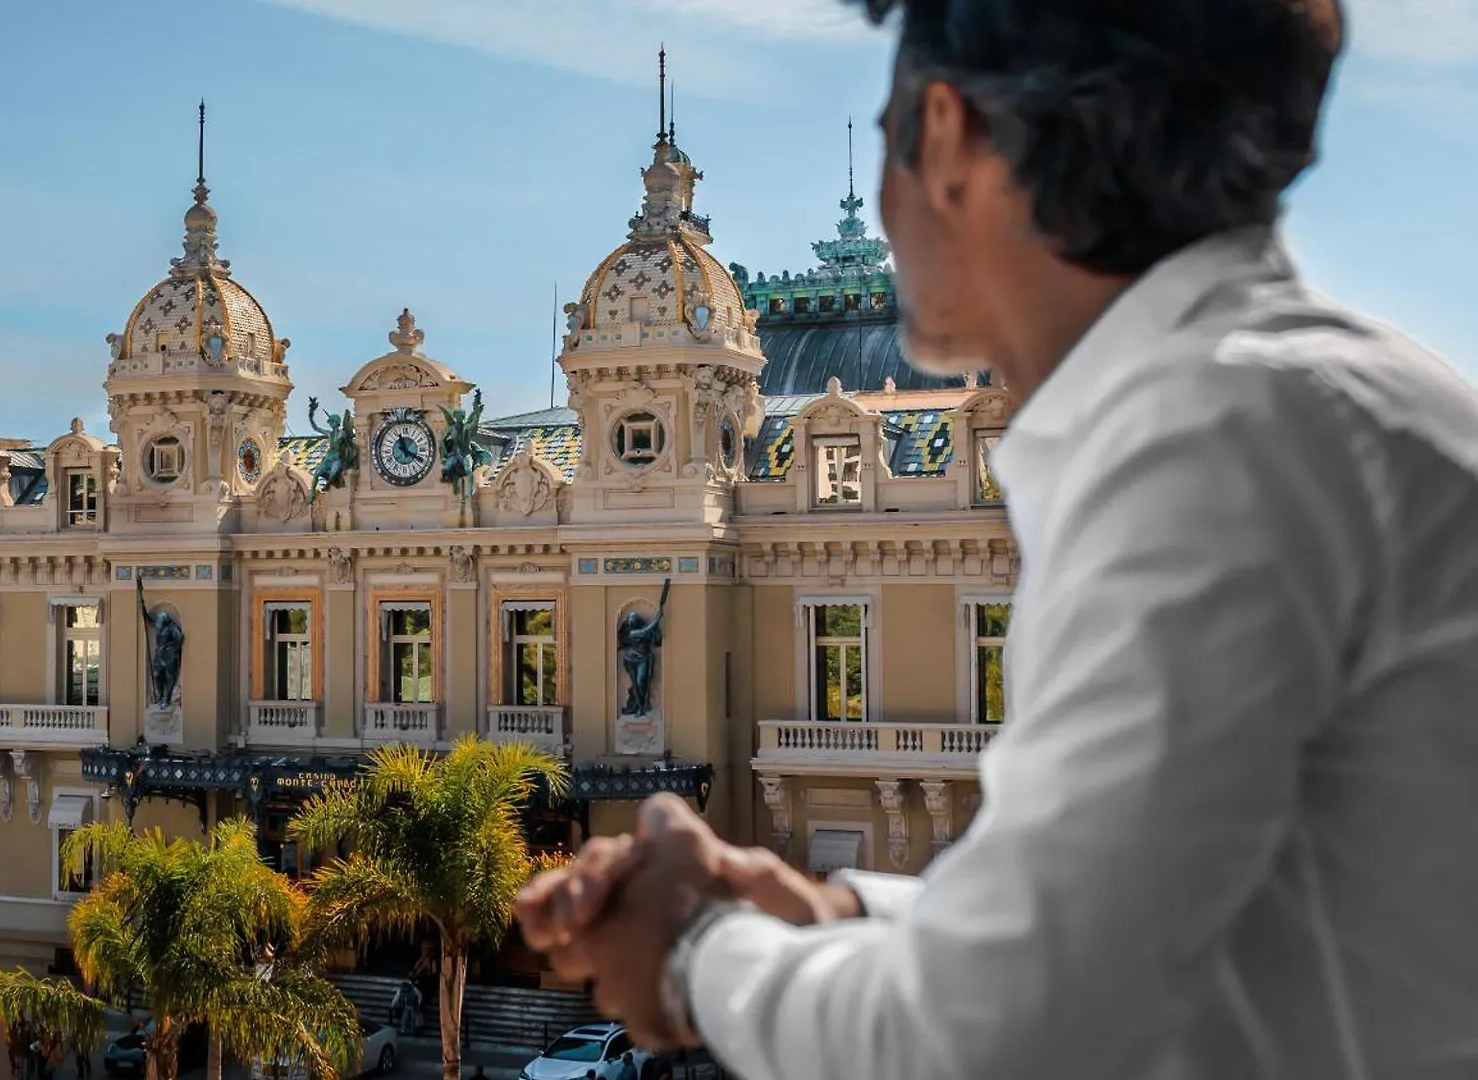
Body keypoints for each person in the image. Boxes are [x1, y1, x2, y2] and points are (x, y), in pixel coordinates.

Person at [517, 2, 1478, 1078]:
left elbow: (1000, 1038)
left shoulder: (1212, 444)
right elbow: (1182, 936)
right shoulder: (1345, 401)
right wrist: (834, 909)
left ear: (944, 132)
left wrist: (696, 955)